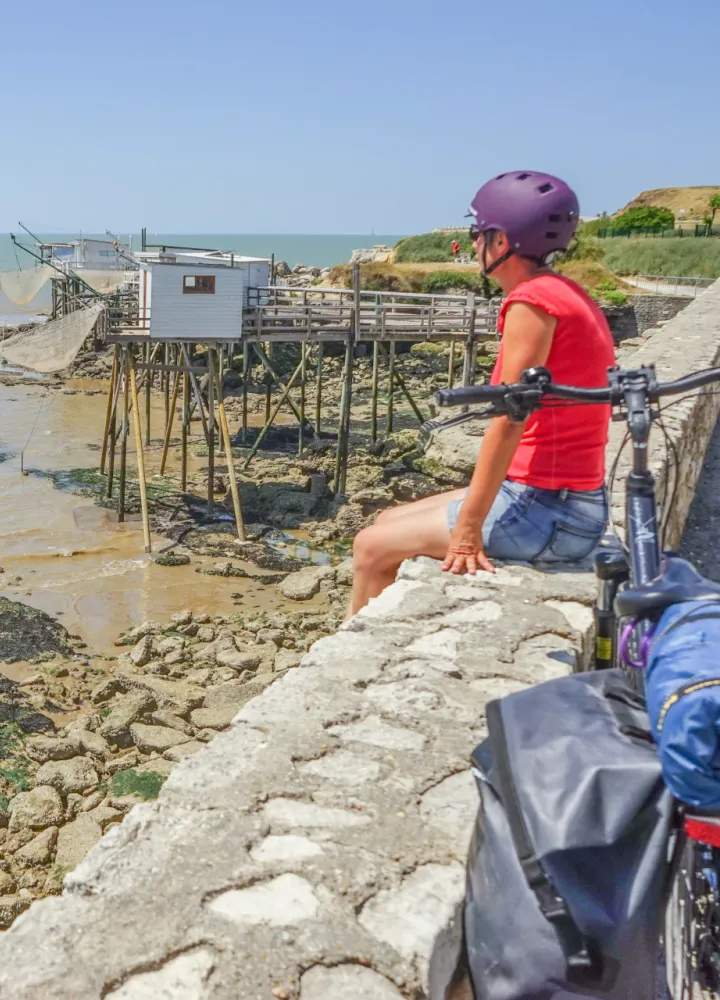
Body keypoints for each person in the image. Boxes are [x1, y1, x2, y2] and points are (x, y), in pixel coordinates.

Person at [347, 170, 615, 617]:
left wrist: (468, 528)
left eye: (478, 233)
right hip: (564, 499)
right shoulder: (565, 292)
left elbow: (509, 418)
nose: (472, 244)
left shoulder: (532, 304)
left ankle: (344, 675)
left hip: (549, 512)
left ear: (502, 241)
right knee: (386, 521)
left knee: (369, 547)